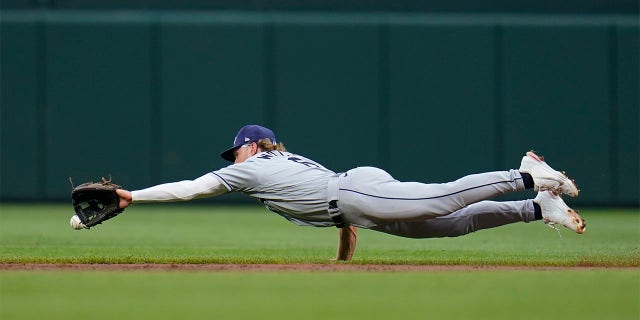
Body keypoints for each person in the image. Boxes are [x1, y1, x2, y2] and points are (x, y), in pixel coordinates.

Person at [116, 124, 585, 261]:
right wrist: (343, 265)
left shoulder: (252, 167)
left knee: (441, 199)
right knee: (448, 223)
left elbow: (190, 189)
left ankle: (525, 174)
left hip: (355, 192)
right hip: (357, 201)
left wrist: (134, 196)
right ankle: (535, 206)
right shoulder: (282, 167)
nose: (231, 159)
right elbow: (343, 220)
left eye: (234, 151)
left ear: (253, 146)